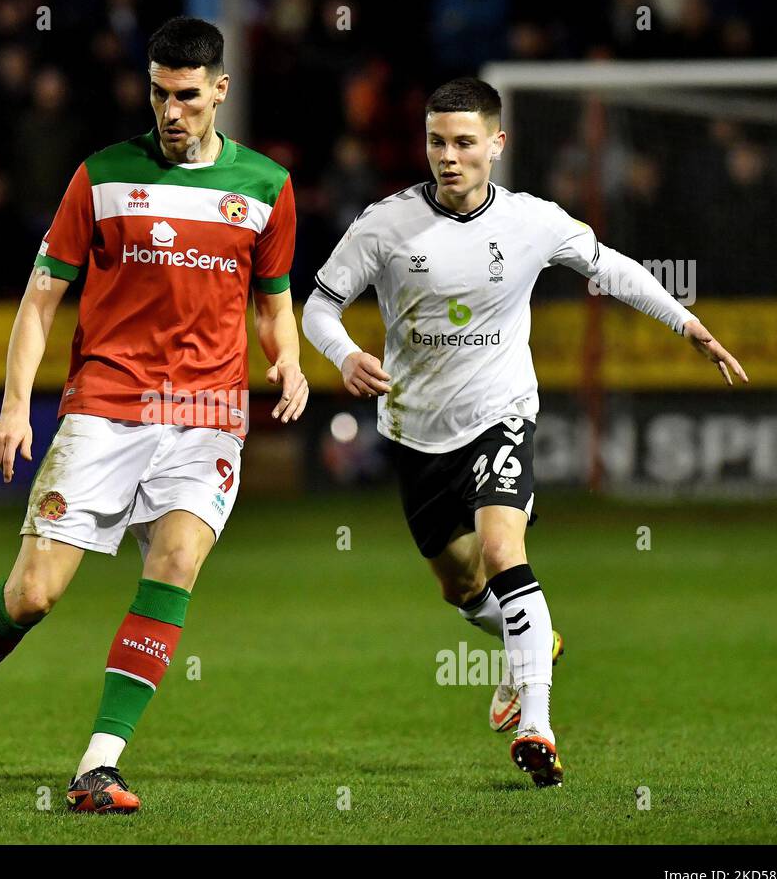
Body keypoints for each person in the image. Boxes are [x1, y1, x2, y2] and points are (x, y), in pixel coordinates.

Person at [0, 17, 306, 812]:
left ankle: (98, 765)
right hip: (107, 408)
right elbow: (42, 296)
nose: (171, 111)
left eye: (187, 96)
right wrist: (16, 407)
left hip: (208, 415)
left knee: (175, 563)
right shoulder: (102, 177)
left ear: (220, 91)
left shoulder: (267, 188)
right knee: (34, 595)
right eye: (158, 94)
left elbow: (272, 305)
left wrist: (285, 357)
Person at [302, 78, 747, 787]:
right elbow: (318, 307)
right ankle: (532, 641)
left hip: (499, 413)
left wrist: (687, 324)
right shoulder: (383, 225)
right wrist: (344, 354)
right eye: (436, 143)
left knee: (504, 549)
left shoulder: (532, 221)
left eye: (464, 143)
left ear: (496, 146)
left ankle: (537, 725)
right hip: (416, 431)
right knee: (460, 587)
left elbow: (615, 270)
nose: (448, 157)